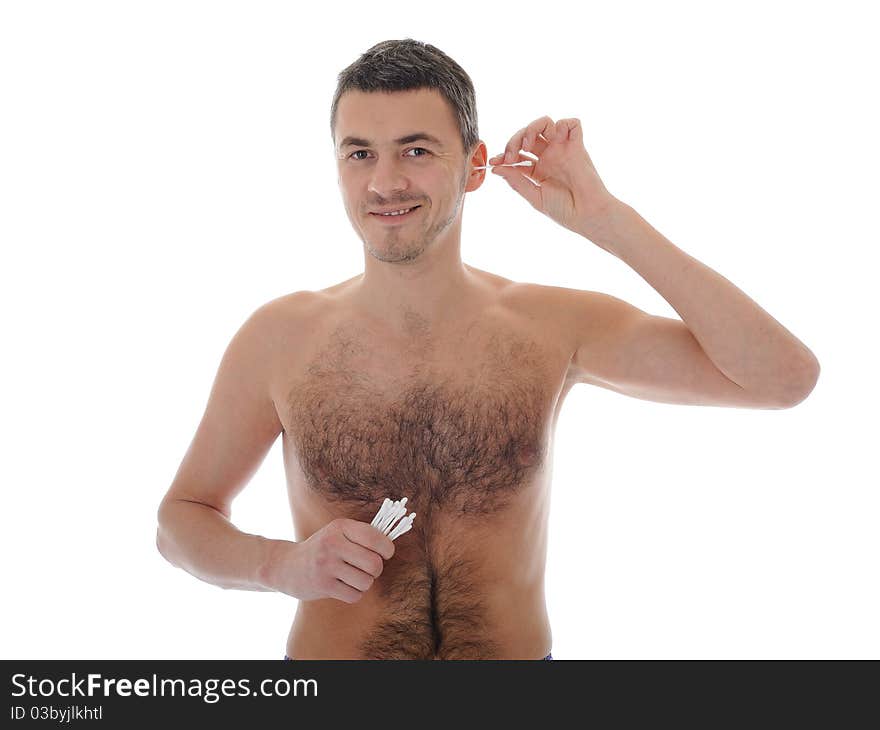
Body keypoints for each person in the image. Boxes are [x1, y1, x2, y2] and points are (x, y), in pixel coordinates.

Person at [155, 39, 820, 660]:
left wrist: (604, 218)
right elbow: (181, 520)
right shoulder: (281, 337)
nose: (384, 183)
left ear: (475, 167)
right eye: (360, 153)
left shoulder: (552, 326)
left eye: (416, 151)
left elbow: (782, 377)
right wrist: (280, 566)